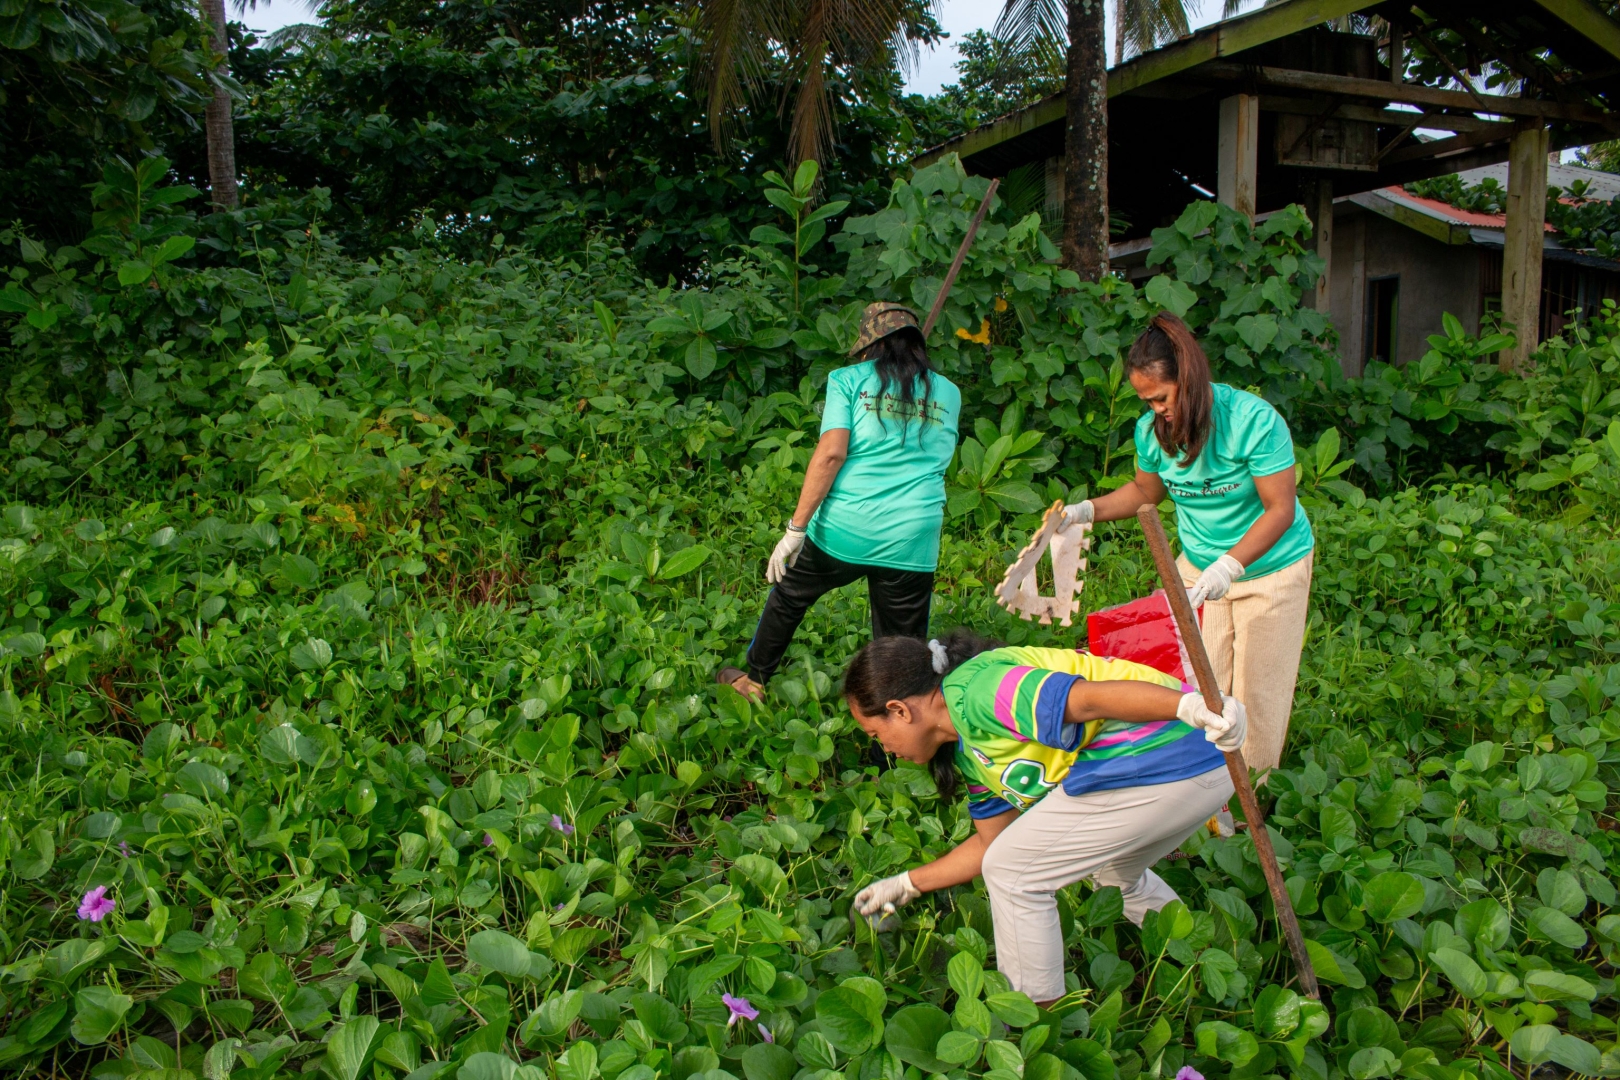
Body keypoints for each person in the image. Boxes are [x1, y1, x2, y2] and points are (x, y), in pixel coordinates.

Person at [844, 630, 1245, 1005]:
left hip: (1169, 755)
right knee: (1113, 876)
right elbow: (990, 843)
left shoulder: (978, 692)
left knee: (1013, 873)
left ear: (899, 710)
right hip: (1197, 770)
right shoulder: (971, 751)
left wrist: (1191, 708)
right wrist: (906, 884)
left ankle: (1035, 1016)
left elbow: (1088, 700)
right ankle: (1209, 964)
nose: (886, 749)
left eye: (876, 735)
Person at [1060, 312, 1314, 776]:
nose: (1156, 409)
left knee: (1257, 692)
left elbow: (1280, 509)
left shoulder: (1252, 421)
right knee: (1199, 684)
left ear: (1189, 379)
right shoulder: (1152, 431)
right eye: (1147, 401)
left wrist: (1230, 566)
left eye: (1161, 397)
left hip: (1270, 568)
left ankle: (1251, 791)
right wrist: (1084, 511)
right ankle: (1204, 792)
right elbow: (1145, 492)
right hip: (1198, 569)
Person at [718, 303, 962, 700]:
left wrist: (795, 530)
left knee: (790, 596)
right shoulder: (948, 392)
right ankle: (898, 720)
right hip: (913, 536)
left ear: (869, 346)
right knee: (901, 643)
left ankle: (755, 680)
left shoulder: (848, 379)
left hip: (846, 528)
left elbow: (831, 454)